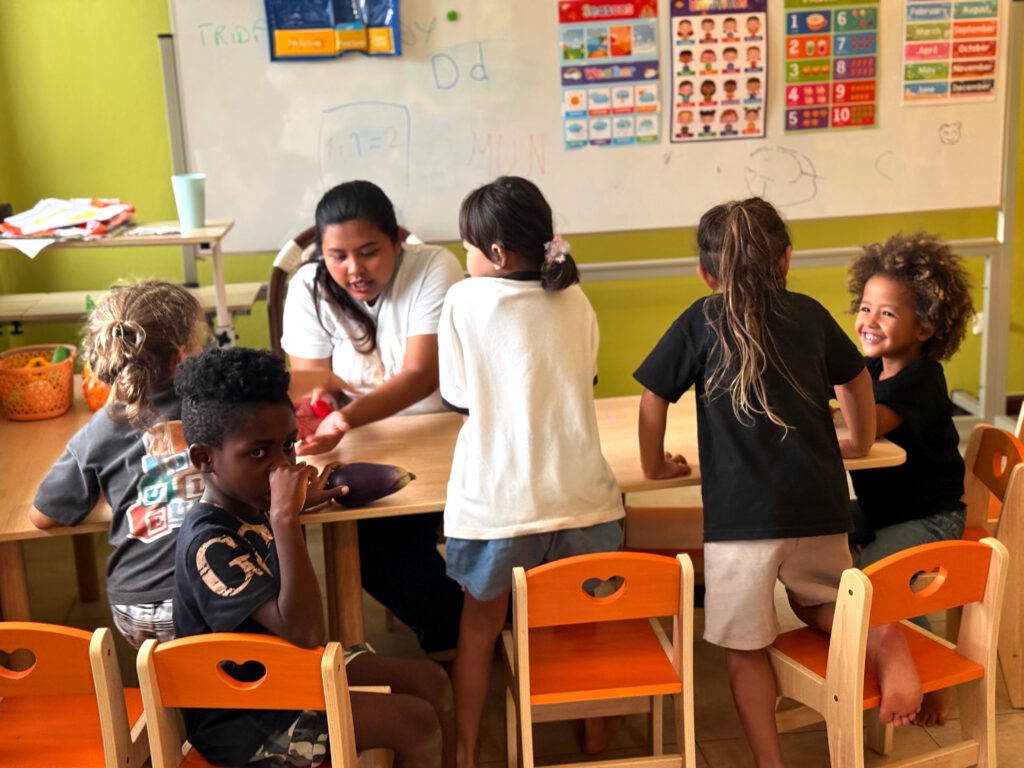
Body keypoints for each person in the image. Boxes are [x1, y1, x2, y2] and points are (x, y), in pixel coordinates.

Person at [634, 198, 923, 767]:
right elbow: (855, 383)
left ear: (705, 273)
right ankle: (883, 636)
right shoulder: (811, 314)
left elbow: (653, 398)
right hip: (818, 503)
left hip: (741, 523)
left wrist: (655, 467)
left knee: (746, 650)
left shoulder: (700, 318)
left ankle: (771, 763)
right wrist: (860, 443)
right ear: (787, 259)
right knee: (820, 599)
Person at [173, 346, 455, 768]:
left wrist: (288, 509)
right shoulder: (209, 545)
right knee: (415, 723)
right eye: (258, 453)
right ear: (203, 459)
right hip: (246, 718)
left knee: (430, 680)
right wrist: (284, 518)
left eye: (288, 446)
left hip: (285, 673)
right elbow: (303, 631)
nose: (281, 467)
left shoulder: (247, 506)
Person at [438, 177, 625, 766]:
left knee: (478, 629)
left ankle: (465, 749)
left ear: (495, 254)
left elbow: (458, 395)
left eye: (468, 246)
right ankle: (596, 735)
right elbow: (585, 380)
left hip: (499, 505)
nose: (464, 257)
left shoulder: (465, 300)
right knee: (581, 619)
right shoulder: (575, 299)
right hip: (586, 499)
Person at [280, 180, 465, 659]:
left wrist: (343, 418)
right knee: (367, 554)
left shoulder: (435, 268)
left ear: (398, 239)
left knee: (391, 552)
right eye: (337, 256)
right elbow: (305, 377)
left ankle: (464, 628)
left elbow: (422, 375)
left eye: (369, 252)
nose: (354, 270)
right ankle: (471, 624)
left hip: (436, 433)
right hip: (357, 445)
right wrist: (318, 401)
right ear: (321, 253)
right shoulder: (307, 286)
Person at [30, 281, 208, 648]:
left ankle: (171, 701)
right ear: (180, 357)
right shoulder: (216, 406)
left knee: (180, 668)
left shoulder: (98, 432)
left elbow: (43, 516)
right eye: (198, 342)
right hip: (216, 596)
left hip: (136, 608)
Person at [847, 232, 974, 726]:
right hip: (884, 511)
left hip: (932, 517)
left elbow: (867, 426)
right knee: (820, 531)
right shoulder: (871, 368)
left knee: (879, 578)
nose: (869, 321)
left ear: (925, 328)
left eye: (887, 313)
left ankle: (928, 680)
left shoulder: (922, 379)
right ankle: (869, 651)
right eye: (865, 307)